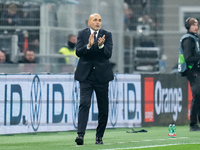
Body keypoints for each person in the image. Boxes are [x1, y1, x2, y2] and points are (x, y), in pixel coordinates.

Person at [74, 13, 114, 145]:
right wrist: (89, 46)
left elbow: (108, 55)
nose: (97, 22)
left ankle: (99, 136)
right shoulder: (82, 34)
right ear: (89, 22)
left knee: (103, 107)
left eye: (100, 20)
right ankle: (80, 135)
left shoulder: (107, 35)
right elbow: (78, 52)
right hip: (86, 76)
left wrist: (101, 46)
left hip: (102, 76)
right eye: (95, 20)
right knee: (84, 103)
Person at [178, 17, 200, 131]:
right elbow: (188, 58)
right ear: (188, 27)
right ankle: (193, 124)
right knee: (197, 96)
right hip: (193, 71)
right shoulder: (188, 40)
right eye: (193, 25)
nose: (196, 27)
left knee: (199, 97)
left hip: (197, 70)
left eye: (197, 25)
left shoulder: (194, 38)